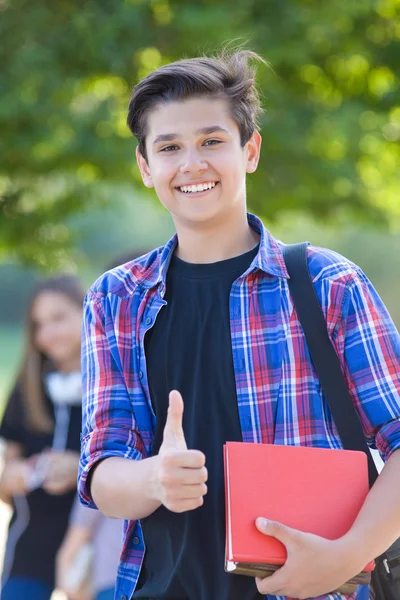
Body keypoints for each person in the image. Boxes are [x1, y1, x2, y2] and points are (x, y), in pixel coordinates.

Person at [77, 49, 400, 600]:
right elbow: (103, 473)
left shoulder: (326, 284)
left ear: (249, 150)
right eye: (169, 147)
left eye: (211, 141)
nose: (192, 164)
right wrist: (154, 478)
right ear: (145, 166)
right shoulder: (116, 299)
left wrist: (348, 556)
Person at [0, 275, 85, 600]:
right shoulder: (26, 390)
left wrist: (78, 468)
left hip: (94, 547)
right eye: (38, 324)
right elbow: (5, 486)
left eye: (58, 318)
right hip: (30, 548)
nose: (47, 333)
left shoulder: (112, 384)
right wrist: (22, 475)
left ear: (87, 312)